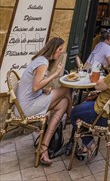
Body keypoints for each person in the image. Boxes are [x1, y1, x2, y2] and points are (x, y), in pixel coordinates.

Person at [16, 37, 72, 166]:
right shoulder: (42, 62)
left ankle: (44, 146)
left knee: (63, 103)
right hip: (26, 108)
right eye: (59, 49)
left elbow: (36, 87)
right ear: (52, 49)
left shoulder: (42, 60)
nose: (61, 52)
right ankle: (72, 116)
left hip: (31, 101)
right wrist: (55, 74)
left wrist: (44, 90)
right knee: (66, 89)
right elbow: (36, 86)